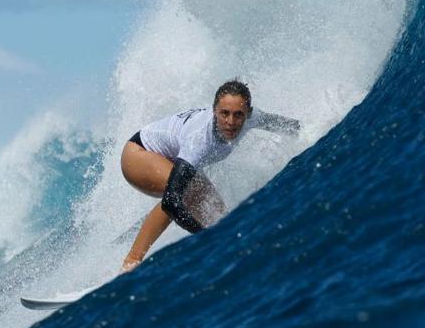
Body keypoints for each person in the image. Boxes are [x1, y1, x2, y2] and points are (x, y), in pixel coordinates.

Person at [119, 79, 300, 272]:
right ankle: (131, 262)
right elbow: (171, 202)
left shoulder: (253, 118)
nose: (231, 122)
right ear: (214, 111)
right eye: (224, 113)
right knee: (180, 193)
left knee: (218, 215)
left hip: (172, 158)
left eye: (238, 115)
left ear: (248, 114)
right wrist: (206, 239)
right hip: (138, 155)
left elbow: (293, 127)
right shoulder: (198, 140)